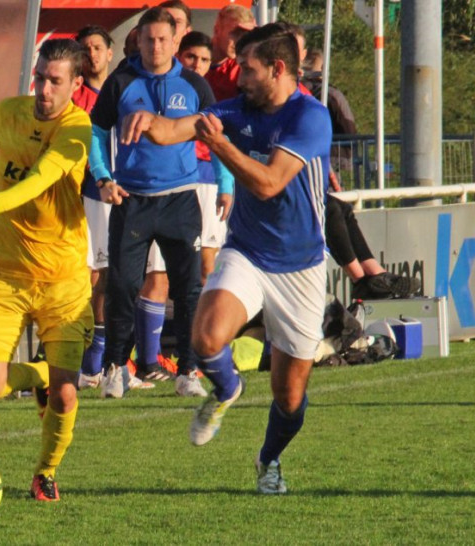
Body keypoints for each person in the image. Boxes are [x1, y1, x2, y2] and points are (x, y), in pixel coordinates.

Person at [122, 23, 332, 494]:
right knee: (206, 334)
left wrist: (220, 146)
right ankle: (227, 388)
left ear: (278, 69)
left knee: (290, 396)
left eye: (250, 70)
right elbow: (182, 126)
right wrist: (147, 121)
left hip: (301, 268)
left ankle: (269, 459)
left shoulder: (310, 117)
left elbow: (268, 182)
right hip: (249, 253)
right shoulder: (241, 107)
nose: (239, 79)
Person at [0, 39, 93, 502]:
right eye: (40, 78)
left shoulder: (77, 128)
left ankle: (45, 472)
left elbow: (43, 176)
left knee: (67, 398)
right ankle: (39, 376)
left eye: (56, 81)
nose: (44, 90)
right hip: (5, 274)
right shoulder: (8, 112)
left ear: (76, 85)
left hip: (63, 281)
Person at [89, 7, 216, 399]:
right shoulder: (120, 82)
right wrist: (103, 178)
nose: (156, 46)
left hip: (180, 200)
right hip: (132, 201)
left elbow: (217, 136)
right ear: (138, 40)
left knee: (188, 288)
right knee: (123, 286)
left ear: (177, 41)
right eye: (149, 39)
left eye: (164, 39)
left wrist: (226, 184)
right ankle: (114, 369)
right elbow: (95, 133)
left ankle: (189, 371)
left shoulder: (195, 85)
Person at [133, 30, 233, 395]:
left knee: (206, 271)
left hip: (207, 185)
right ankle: (149, 360)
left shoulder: (206, 97)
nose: (197, 65)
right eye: (192, 58)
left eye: (205, 60)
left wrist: (226, 186)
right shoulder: (159, 89)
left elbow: (220, 143)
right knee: (158, 273)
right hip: (174, 189)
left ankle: (203, 352)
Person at [301, 49, 420, 299]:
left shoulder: (305, 94)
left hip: (316, 167)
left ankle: (372, 273)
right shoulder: (321, 93)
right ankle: (362, 278)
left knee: (341, 208)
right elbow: (346, 127)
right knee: (330, 209)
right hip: (306, 173)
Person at [72, 25, 116, 389]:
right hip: (91, 193)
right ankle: (89, 361)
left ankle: (114, 358)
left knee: (119, 275)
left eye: (97, 47)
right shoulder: (75, 98)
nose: (92, 54)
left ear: (110, 53)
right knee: (95, 273)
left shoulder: (122, 93)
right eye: (85, 49)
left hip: (126, 192)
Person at [205, 4, 256, 101]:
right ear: (217, 30)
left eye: (245, 36)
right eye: (235, 34)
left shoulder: (243, 68)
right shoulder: (190, 57)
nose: (240, 41)